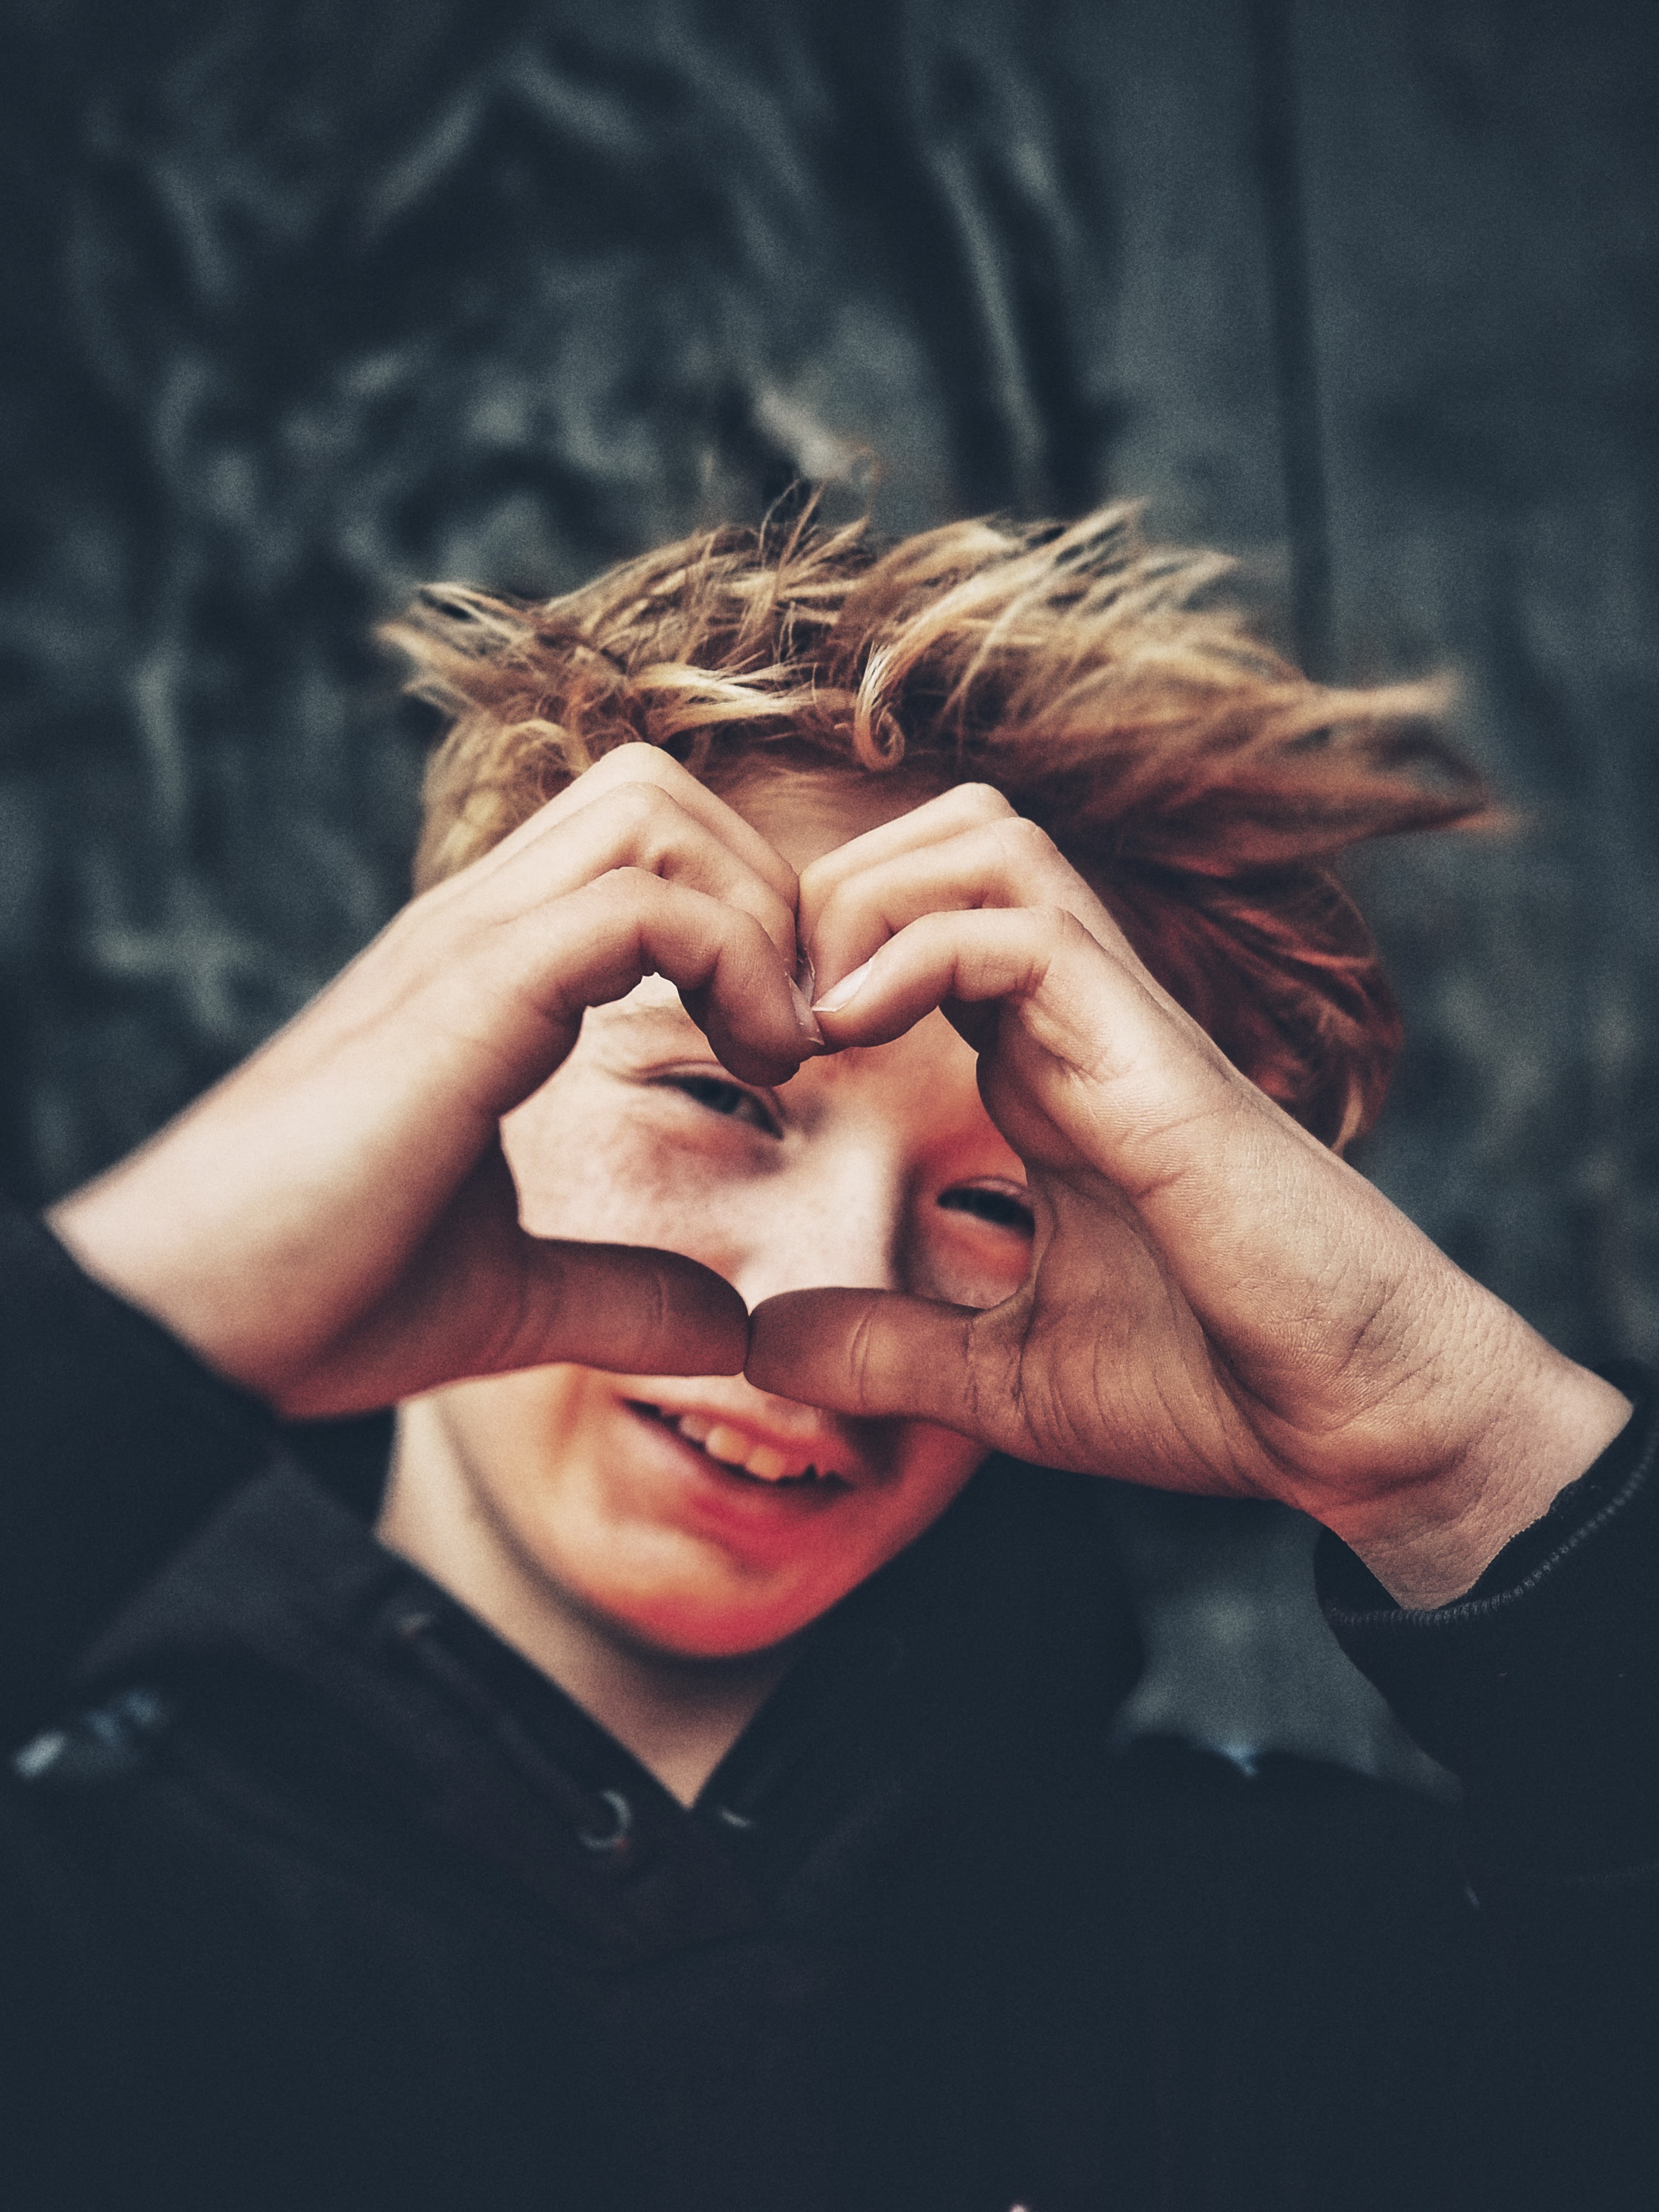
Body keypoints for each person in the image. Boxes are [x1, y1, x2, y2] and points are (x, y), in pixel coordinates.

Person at [2, 505, 1654, 2212]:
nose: (825, 1322)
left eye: (997, 1206)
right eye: (718, 1098)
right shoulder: (61, 1891)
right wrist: (150, 1299)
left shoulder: (1294, 1969)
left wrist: (1451, 1456)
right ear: (447, 1076)